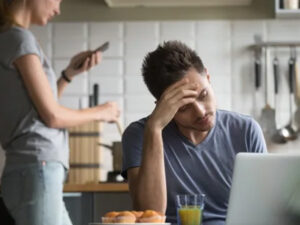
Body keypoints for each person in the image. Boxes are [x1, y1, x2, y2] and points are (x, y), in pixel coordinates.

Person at [121, 41, 267, 225]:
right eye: (183, 108)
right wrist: (155, 128)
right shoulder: (139, 134)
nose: (200, 111)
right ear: (163, 105)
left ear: (207, 76)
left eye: (203, 95)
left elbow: (264, 209)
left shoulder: (246, 130)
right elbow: (151, 217)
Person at [0, 0, 120, 225]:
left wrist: (68, 75)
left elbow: (35, 109)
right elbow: (52, 116)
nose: (58, 9)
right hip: (37, 167)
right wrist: (100, 112)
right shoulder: (20, 39)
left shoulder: (9, 37)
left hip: (30, 169)